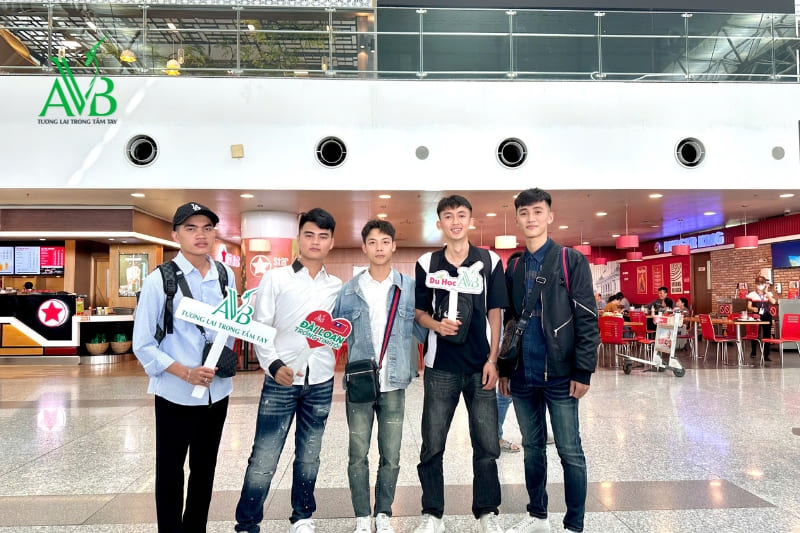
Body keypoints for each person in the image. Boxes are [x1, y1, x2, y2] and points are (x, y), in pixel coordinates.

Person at [235, 208, 342, 533]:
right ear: (299, 239)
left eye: (323, 236)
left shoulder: (336, 286)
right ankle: (247, 523)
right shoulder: (276, 278)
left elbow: (339, 329)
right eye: (309, 234)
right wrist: (274, 364)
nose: (315, 241)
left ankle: (302, 517)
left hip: (320, 380)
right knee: (264, 457)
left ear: (331, 242)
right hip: (280, 381)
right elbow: (260, 326)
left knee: (310, 455)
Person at [132, 201, 236, 533]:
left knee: (205, 469)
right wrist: (186, 372)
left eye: (207, 228)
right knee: (170, 471)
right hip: (175, 393)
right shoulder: (159, 280)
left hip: (216, 393)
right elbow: (142, 344)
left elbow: (231, 326)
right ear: (176, 235)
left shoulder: (225, 275)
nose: (200, 235)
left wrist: (222, 359)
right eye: (191, 228)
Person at [499, 188, 599, 533]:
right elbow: (510, 321)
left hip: (560, 374)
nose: (531, 218)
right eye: (524, 213)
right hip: (522, 375)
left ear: (550, 216)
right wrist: (505, 368)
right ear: (517, 218)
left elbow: (587, 318)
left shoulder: (570, 261)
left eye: (538, 212)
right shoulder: (514, 265)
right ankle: (537, 516)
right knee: (532, 448)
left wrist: (583, 370)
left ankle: (574, 524)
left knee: (570, 450)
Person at [414, 195, 508, 533]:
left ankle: (487, 512)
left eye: (461, 215)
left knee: (487, 444)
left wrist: (493, 360)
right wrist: (437, 326)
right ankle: (432, 514)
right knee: (432, 443)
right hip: (440, 366)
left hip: (480, 365)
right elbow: (419, 313)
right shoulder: (427, 262)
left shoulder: (489, 260)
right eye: (449, 216)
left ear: (471, 220)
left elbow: (496, 313)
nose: (455, 221)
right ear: (439, 223)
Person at [333, 219, 418, 533]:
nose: (379, 248)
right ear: (364, 247)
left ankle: (383, 513)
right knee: (357, 453)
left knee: (391, 455)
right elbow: (334, 333)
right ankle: (361, 516)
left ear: (394, 245)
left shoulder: (409, 288)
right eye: (372, 242)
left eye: (385, 241)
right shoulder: (349, 290)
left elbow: (422, 329)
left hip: (394, 382)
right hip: (360, 384)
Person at [746, 275, 777, 361]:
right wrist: (753, 309)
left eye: (762, 284)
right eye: (758, 284)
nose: (760, 286)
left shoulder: (768, 294)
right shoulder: (751, 294)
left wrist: (766, 291)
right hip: (756, 315)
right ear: (756, 284)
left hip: (766, 315)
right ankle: (753, 351)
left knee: (767, 335)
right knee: (755, 334)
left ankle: (766, 354)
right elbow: (748, 306)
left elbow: (773, 302)